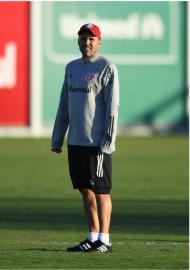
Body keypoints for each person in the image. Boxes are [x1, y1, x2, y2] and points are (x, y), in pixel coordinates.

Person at [51, 23, 119, 253]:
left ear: (99, 42)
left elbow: (112, 107)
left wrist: (108, 140)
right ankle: (92, 237)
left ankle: (105, 239)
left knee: (102, 190)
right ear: (78, 41)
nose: (86, 42)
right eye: (83, 38)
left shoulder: (107, 68)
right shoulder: (71, 68)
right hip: (75, 141)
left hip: (97, 143)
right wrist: (58, 137)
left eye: (91, 39)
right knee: (84, 189)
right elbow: (64, 105)